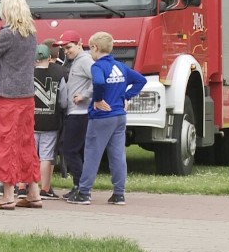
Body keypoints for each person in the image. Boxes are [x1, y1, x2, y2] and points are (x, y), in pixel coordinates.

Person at [68, 32, 146, 205]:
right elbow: (140, 80)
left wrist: (97, 100)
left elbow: (99, 82)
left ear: (95, 47)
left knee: (92, 154)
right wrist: (126, 96)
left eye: (90, 49)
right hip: (119, 116)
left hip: (102, 116)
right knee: (118, 155)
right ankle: (119, 194)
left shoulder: (98, 66)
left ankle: (84, 192)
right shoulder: (121, 66)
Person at [0, 0, 42, 210]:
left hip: (6, 98)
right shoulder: (31, 34)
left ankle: (8, 196)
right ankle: (33, 193)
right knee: (26, 143)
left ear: (6, 10)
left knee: (5, 143)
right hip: (26, 97)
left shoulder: (7, 34)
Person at [53, 30, 94, 200]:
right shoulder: (76, 61)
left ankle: (82, 188)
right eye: (63, 48)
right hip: (75, 112)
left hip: (80, 113)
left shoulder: (85, 61)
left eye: (69, 47)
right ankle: (79, 186)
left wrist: (85, 95)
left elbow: (99, 79)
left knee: (69, 150)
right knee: (74, 150)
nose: (66, 51)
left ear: (79, 44)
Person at [33, 44, 67, 199]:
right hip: (51, 121)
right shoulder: (59, 72)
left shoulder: (27, 73)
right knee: (46, 156)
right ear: (49, 57)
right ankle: (45, 189)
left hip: (30, 121)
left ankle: (23, 186)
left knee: (29, 154)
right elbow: (64, 101)